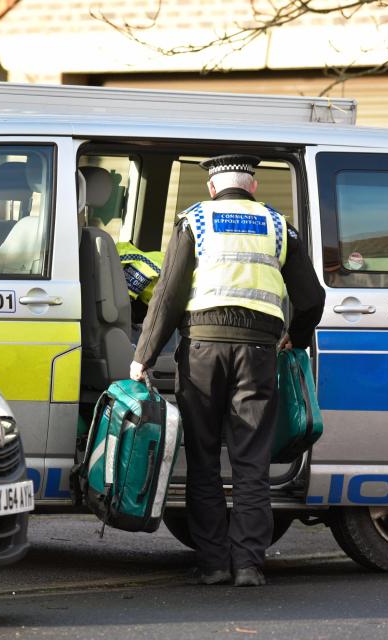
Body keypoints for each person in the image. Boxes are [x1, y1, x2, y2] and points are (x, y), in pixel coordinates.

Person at [129, 154, 324, 587]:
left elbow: (167, 296)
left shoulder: (194, 220)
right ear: (253, 187)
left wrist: (143, 356)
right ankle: (250, 566)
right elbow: (310, 298)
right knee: (251, 462)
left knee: (203, 459)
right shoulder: (278, 226)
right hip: (258, 352)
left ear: (213, 188)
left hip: (201, 350)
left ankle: (214, 563)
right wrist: (296, 334)